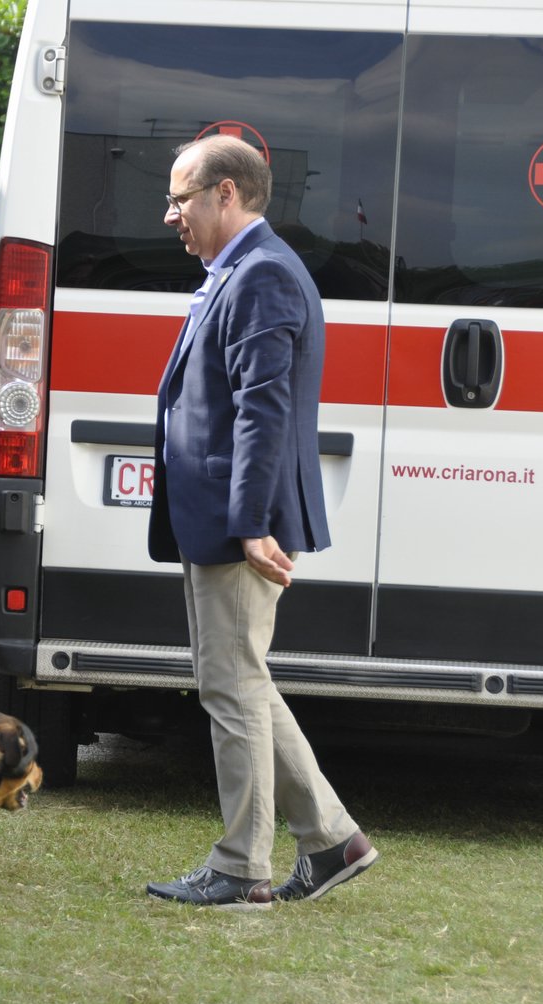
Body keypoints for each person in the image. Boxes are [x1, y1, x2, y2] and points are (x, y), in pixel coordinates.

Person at [144, 135, 377, 910]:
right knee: (242, 680)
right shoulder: (241, 270)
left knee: (232, 687)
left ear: (227, 195)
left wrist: (249, 524)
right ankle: (333, 838)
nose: (170, 213)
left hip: (237, 522)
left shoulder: (262, 273)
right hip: (219, 516)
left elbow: (262, 410)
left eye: (181, 198)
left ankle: (242, 865)